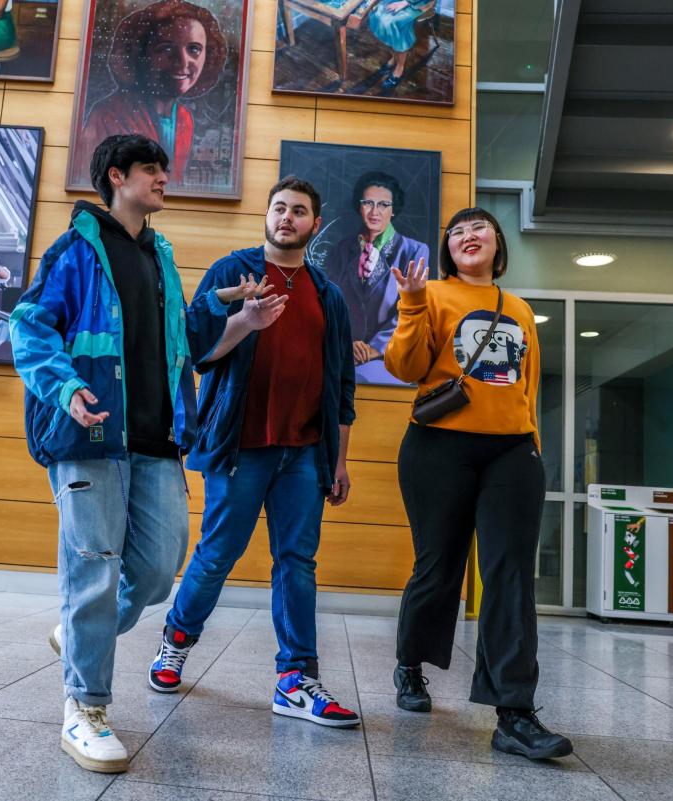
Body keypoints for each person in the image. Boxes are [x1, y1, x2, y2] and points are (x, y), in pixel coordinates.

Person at [9, 134, 286, 774]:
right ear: (117, 176)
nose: (165, 177)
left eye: (164, 167)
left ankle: (83, 629)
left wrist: (241, 320)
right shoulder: (77, 248)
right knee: (94, 571)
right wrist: (68, 386)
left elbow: (181, 345)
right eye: (151, 169)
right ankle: (85, 709)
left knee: (160, 571)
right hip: (89, 437)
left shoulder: (159, 254)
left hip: (157, 441)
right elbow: (28, 326)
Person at [146, 177, 361, 729]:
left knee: (297, 562)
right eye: (279, 208)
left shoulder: (328, 294)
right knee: (218, 553)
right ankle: (176, 639)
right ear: (266, 217)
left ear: (315, 224)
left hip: (306, 454)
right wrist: (244, 320)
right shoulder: (230, 273)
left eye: (299, 211)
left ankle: (296, 678)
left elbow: (341, 383)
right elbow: (195, 350)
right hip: (241, 446)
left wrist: (339, 460)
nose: (287, 217)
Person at [383, 207, 573, 760]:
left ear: (497, 243)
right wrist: (413, 302)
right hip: (438, 446)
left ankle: (514, 712)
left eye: (479, 228)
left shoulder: (517, 308)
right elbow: (403, 364)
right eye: (457, 231)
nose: (468, 235)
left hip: (511, 452)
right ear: (448, 248)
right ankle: (410, 666)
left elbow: (526, 386)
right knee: (438, 566)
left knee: (509, 573)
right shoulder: (433, 294)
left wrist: (532, 443)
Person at [73, 0, 227, 186]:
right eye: (166, 48)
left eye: (194, 49)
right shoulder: (107, 115)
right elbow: (90, 183)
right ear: (140, 53)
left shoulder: (184, 119)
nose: (183, 61)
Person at [323, 171, 431, 385]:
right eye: (368, 203)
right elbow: (329, 302)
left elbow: (411, 307)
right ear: (359, 206)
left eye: (383, 204)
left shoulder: (414, 250)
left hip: (388, 356)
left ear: (393, 210)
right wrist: (347, 343)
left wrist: (374, 348)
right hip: (345, 351)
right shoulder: (341, 249)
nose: (375, 211)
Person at [367, 0, 433, 90]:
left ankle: (399, 67)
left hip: (420, 2)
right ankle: (394, 57)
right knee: (377, 13)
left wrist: (405, 2)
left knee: (391, 23)